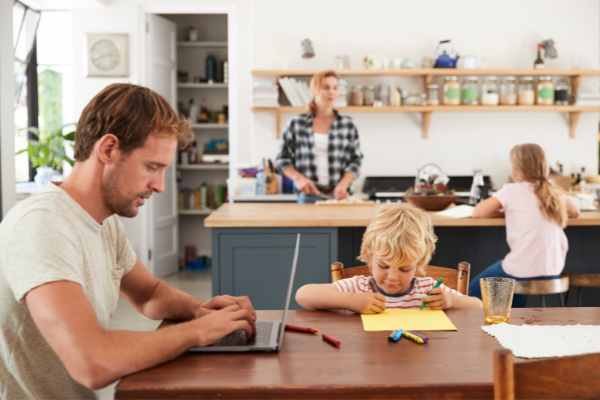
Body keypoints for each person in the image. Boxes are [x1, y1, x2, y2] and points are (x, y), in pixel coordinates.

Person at [0, 84, 257, 399]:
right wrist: (200, 331)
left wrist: (201, 309)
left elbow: (148, 294)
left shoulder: (103, 220)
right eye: (152, 167)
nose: (160, 186)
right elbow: (91, 362)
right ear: (108, 150)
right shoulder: (42, 225)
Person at [295, 203, 483, 313]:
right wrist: (353, 302)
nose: (392, 277)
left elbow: (478, 306)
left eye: (404, 269)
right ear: (370, 256)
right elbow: (303, 294)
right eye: (384, 265)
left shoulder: (427, 289)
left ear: (418, 263)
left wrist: (451, 301)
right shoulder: (359, 287)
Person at [470, 143, 580, 307]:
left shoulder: (511, 190)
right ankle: (518, 316)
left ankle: (513, 317)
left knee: (475, 289)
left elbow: (477, 212)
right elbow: (575, 211)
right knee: (512, 278)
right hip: (552, 270)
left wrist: (505, 210)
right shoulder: (553, 192)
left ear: (514, 170)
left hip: (522, 269)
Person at [276, 70, 363, 203]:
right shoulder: (297, 123)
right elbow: (282, 160)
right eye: (326, 87)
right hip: (309, 195)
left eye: (335, 88)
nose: (331, 92)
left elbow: (355, 161)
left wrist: (343, 184)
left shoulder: (348, 124)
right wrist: (299, 179)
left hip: (340, 196)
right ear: (313, 91)